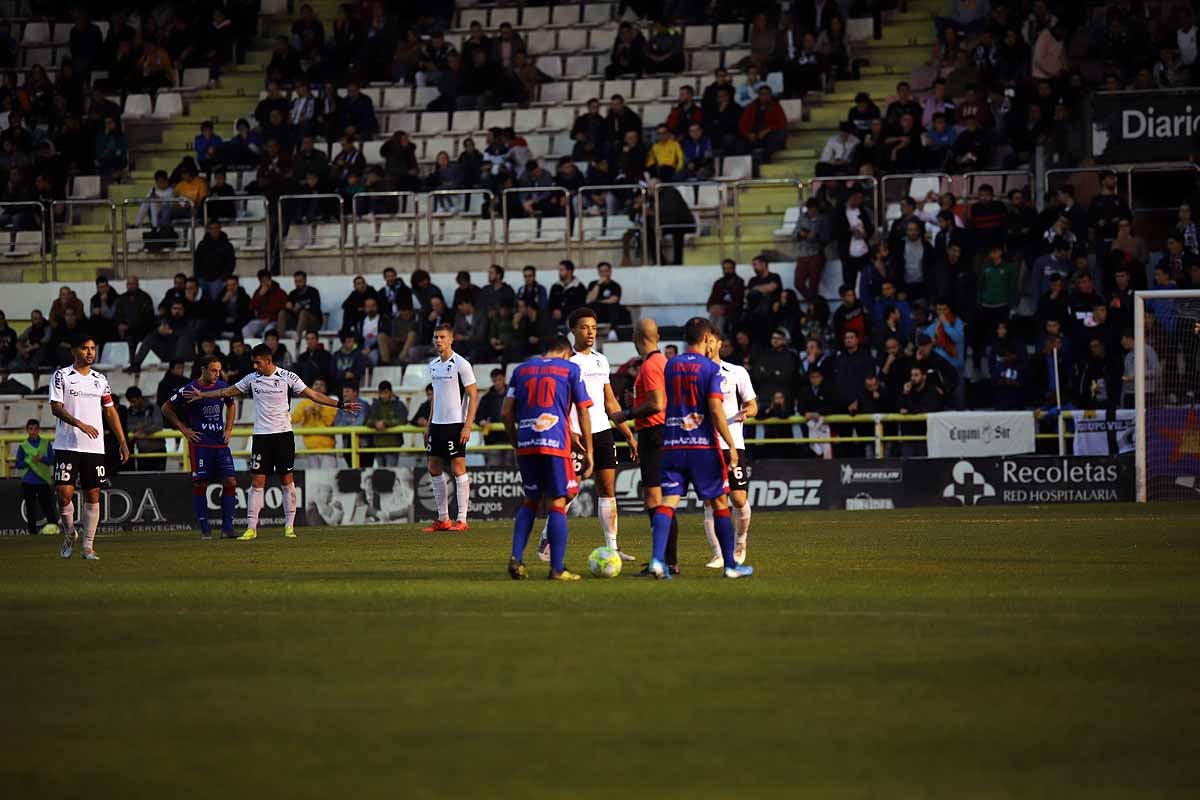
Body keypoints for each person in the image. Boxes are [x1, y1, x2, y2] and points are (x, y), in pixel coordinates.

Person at [183, 344, 359, 540]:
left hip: (283, 436)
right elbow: (226, 392)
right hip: (261, 437)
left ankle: (289, 527)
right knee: (257, 481)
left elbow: (314, 395)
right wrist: (203, 395)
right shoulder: (252, 379)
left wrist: (341, 404)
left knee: (287, 480)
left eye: (258, 362)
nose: (255, 366)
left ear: (268, 360)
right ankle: (251, 529)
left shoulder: (287, 377)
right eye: (253, 363)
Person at [646, 317, 751, 580]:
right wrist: (730, 444)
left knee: (668, 502)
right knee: (719, 502)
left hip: (672, 444)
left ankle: (658, 560)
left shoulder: (671, 365)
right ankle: (730, 565)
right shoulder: (710, 369)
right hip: (702, 446)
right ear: (706, 339)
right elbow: (715, 410)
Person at [535, 308, 637, 563]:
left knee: (608, 487)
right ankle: (547, 537)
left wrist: (628, 433)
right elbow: (557, 403)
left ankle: (612, 548)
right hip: (576, 433)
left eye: (593, 327)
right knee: (570, 490)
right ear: (573, 330)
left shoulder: (600, 360)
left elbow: (609, 401)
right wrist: (568, 431)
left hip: (603, 431)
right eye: (584, 327)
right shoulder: (566, 362)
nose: (590, 332)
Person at [502, 335, 594, 581]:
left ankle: (516, 558)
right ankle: (557, 568)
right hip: (555, 442)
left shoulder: (521, 369)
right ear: (565, 353)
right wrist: (589, 452)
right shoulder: (570, 369)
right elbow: (583, 411)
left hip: (526, 441)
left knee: (530, 500)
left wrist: (516, 441)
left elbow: (506, 412)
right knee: (557, 502)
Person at [50, 334, 130, 560]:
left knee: (93, 494)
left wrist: (123, 441)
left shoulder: (100, 379)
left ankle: (88, 547)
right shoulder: (62, 376)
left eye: (93, 348)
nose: (90, 353)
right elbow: (56, 407)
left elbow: (110, 411)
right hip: (67, 444)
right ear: (74, 350)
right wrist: (79, 423)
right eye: (85, 348)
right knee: (63, 493)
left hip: (94, 447)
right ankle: (70, 533)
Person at [610, 317, 678, 572]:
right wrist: (636, 400)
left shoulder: (649, 366)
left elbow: (657, 403)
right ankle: (664, 558)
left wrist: (627, 413)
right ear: (658, 336)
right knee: (660, 498)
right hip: (663, 432)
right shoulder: (663, 363)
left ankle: (666, 559)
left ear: (634, 339)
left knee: (655, 498)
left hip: (654, 433)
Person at [161, 355, 237, 539]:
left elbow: (231, 404)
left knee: (231, 482)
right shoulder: (189, 389)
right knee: (201, 483)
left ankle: (227, 528)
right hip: (200, 443)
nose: (217, 374)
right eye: (213, 370)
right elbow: (166, 408)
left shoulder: (222, 386)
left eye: (219, 370)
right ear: (203, 369)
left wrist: (228, 429)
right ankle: (205, 529)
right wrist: (184, 430)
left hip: (220, 442)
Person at [701, 332, 757, 569]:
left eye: (712, 340)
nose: (708, 344)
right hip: (705, 444)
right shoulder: (696, 374)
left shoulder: (736, 372)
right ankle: (718, 553)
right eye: (704, 340)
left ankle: (740, 542)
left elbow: (752, 404)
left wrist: (747, 412)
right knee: (711, 500)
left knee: (738, 498)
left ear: (720, 343)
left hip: (732, 443)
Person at [421, 325, 480, 532]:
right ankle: (443, 518)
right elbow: (435, 395)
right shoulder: (433, 365)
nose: (438, 341)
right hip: (437, 424)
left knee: (458, 467)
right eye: (436, 337)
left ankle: (462, 519)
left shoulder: (461, 364)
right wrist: (428, 424)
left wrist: (467, 425)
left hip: (455, 424)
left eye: (442, 337)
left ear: (451, 339)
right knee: (433, 467)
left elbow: (474, 395)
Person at [16, 419, 56, 536]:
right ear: (27, 430)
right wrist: (29, 461)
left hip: (43, 480)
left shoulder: (46, 443)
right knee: (30, 508)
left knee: (48, 506)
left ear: (39, 429)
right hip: (29, 481)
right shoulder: (23, 446)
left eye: (35, 428)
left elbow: (52, 460)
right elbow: (18, 464)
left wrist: (41, 459)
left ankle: (53, 528)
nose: (33, 431)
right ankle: (32, 532)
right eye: (30, 429)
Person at [291, 377, 338, 470]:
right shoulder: (303, 404)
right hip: (311, 448)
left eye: (321, 385)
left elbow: (331, 422)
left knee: (329, 477)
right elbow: (294, 420)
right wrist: (304, 412)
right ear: (311, 387)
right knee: (314, 479)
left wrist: (321, 410)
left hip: (327, 448)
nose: (318, 387)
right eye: (316, 384)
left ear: (325, 389)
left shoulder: (330, 403)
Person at [367, 380, 408, 466]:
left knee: (390, 471)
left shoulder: (399, 405)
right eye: (381, 393)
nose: (383, 395)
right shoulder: (375, 405)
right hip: (378, 444)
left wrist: (386, 423)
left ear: (391, 392)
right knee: (381, 473)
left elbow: (402, 420)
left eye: (386, 392)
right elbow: (368, 421)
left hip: (393, 444)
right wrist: (375, 423)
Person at [124, 387, 166, 471]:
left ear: (140, 398)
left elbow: (158, 425)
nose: (132, 404)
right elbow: (128, 426)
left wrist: (143, 430)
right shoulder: (130, 411)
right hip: (142, 452)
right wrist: (138, 429)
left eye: (134, 401)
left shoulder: (153, 408)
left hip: (158, 452)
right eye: (130, 402)